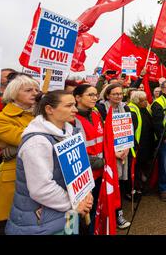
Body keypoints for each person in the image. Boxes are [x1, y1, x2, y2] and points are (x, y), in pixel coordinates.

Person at [5, 90, 93, 235]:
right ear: (49, 109)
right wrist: (75, 203)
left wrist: (85, 193)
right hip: (41, 223)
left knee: (70, 232)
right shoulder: (37, 142)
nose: (75, 110)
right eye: (69, 106)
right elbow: (41, 188)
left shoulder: (70, 134)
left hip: (67, 214)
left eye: (74, 105)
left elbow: (80, 172)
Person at [0, 75, 39, 234]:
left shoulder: (40, 115)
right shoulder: (2, 119)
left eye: (36, 89)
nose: (35, 93)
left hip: (39, 178)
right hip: (14, 179)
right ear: (14, 94)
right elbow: (30, 140)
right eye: (28, 90)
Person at [95, 84, 134, 229]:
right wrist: (112, 152)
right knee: (112, 184)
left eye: (120, 93)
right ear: (107, 95)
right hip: (110, 154)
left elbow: (128, 130)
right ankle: (112, 215)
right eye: (115, 94)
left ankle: (119, 214)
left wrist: (127, 148)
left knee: (121, 184)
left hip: (124, 152)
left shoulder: (126, 108)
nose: (118, 96)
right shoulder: (101, 110)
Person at [72, 84, 104, 235]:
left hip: (98, 174)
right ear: (77, 97)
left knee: (92, 211)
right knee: (76, 217)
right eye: (90, 95)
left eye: (95, 94)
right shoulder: (72, 120)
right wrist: (104, 162)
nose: (94, 98)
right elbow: (75, 153)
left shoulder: (96, 114)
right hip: (82, 178)